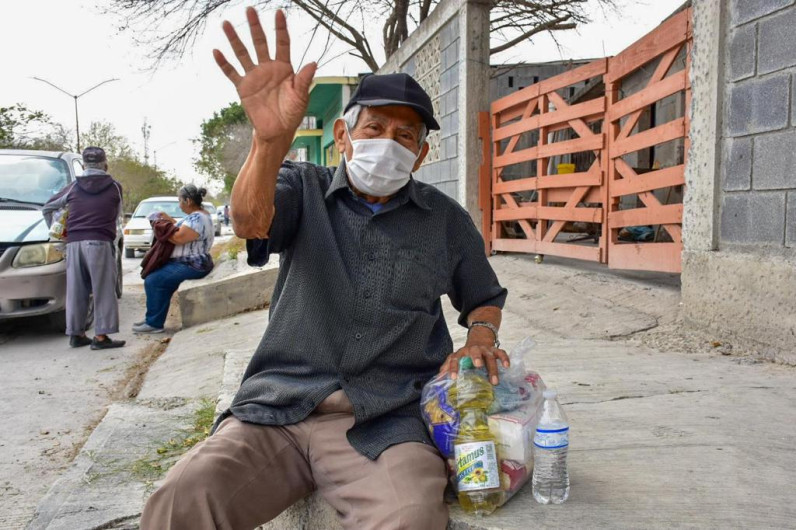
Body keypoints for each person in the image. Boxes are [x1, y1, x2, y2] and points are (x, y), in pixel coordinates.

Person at [140, 8, 508, 530]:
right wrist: (269, 142)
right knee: (182, 499)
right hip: (279, 409)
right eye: (374, 127)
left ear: (422, 153)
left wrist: (481, 339)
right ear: (343, 135)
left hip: (386, 420)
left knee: (410, 518)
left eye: (405, 135)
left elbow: (483, 295)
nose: (388, 142)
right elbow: (250, 221)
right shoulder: (302, 187)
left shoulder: (445, 219)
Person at [42, 146, 125, 350]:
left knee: (76, 290)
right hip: (100, 242)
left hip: (74, 243)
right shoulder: (115, 187)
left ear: (84, 166)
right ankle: (101, 337)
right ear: (105, 165)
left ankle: (77, 334)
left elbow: (48, 207)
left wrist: (59, 232)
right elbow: (117, 215)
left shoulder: (73, 187)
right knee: (103, 290)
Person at [133, 185, 215, 334]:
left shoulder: (197, 218)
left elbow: (178, 238)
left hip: (192, 264)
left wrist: (158, 225)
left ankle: (154, 324)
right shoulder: (200, 215)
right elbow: (181, 228)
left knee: (154, 280)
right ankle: (153, 319)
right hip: (192, 262)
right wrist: (168, 220)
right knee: (159, 280)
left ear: (188, 201)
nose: (179, 204)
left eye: (180, 201)